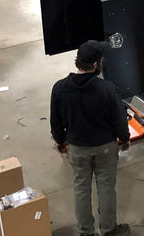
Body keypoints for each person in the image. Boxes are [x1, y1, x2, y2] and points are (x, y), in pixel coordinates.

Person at [50, 40, 131, 236]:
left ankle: (86, 232)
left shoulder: (59, 88)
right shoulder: (107, 88)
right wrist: (124, 138)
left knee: (81, 189)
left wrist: (60, 141)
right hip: (104, 147)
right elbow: (119, 118)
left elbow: (56, 121)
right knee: (106, 187)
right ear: (95, 64)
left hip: (77, 148)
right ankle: (109, 229)